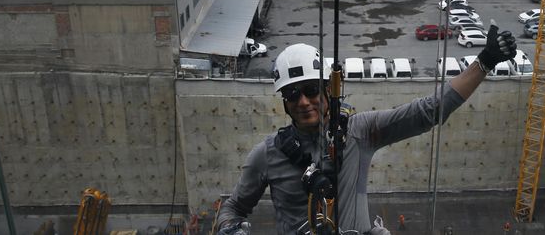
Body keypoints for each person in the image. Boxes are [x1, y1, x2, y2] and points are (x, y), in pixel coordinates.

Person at [216, 23, 517, 235]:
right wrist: (230, 230)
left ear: (326, 91)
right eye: (292, 94)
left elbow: (427, 112)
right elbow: (234, 207)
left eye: (310, 90)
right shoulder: (267, 155)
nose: (303, 101)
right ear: (284, 102)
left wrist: (484, 62)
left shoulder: (358, 132)